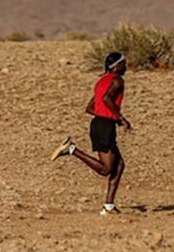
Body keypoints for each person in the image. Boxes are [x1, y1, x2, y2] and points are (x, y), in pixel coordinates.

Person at [50, 51, 132, 215]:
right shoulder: (117, 80)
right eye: (124, 64)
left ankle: (108, 206)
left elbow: (90, 107)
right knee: (106, 169)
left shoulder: (102, 81)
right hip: (104, 127)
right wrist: (120, 118)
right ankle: (72, 150)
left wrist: (108, 116)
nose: (126, 67)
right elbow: (107, 99)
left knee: (119, 166)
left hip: (98, 123)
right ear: (116, 66)